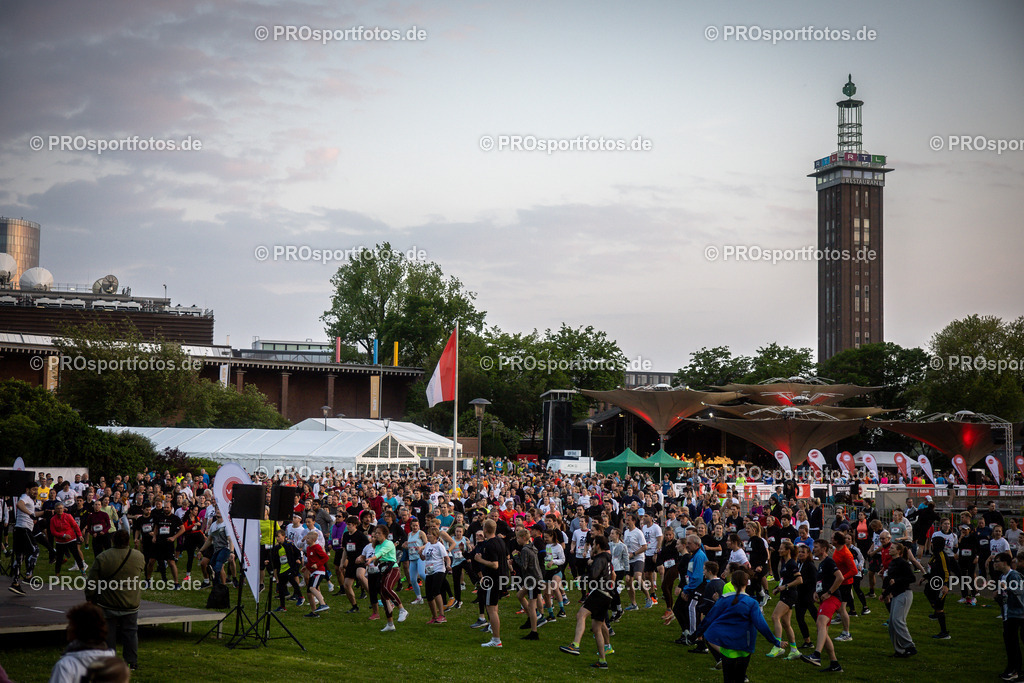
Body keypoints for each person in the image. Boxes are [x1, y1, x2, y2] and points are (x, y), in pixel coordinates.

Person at [692, 569, 784, 683]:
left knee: (728, 678)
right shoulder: (751, 603)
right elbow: (761, 625)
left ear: (731, 582)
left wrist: (696, 634)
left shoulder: (724, 600)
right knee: (740, 677)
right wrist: (775, 641)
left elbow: (709, 618)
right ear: (747, 583)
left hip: (727, 644)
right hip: (745, 644)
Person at [85, 530, 144, 671]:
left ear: (113, 540)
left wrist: (89, 597)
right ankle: (131, 663)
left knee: (108, 635)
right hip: (130, 602)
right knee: (130, 633)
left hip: (107, 602)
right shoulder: (138, 556)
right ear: (127, 541)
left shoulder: (103, 557)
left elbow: (92, 581)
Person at [559, 534, 616, 668]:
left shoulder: (600, 559)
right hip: (606, 595)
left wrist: (582, 578)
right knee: (597, 628)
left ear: (598, 546)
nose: (591, 546)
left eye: (593, 544)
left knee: (581, 615)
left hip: (599, 592)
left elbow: (593, 576)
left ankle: (575, 645)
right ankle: (602, 661)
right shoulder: (606, 558)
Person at [799, 538, 844, 673]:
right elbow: (821, 583)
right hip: (824, 599)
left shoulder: (829, 562)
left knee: (820, 624)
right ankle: (834, 664)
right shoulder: (821, 564)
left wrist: (829, 592)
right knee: (822, 630)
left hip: (832, 598)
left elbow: (840, 577)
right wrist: (816, 592)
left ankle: (817, 655)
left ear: (824, 549)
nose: (814, 549)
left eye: (816, 547)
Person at [48, 602, 118, 683]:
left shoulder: (65, 666)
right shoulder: (115, 665)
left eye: (70, 624)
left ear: (79, 630)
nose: (67, 628)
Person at [472, 518, 508, 648]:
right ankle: (494, 630)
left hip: (493, 580)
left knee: (491, 609)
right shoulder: (500, 541)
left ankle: (496, 640)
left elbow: (494, 564)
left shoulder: (490, 545)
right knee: (494, 607)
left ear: (485, 530)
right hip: (501, 578)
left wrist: (480, 560)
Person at [765, 539, 803, 660]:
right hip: (785, 593)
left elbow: (799, 580)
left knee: (775, 617)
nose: (779, 550)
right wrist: (778, 588)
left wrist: (784, 586)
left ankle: (778, 646)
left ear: (787, 550)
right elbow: (785, 580)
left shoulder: (792, 563)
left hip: (790, 594)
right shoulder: (785, 563)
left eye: (781, 548)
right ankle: (794, 650)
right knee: (786, 624)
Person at [368, 523, 408, 632]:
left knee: (386, 588)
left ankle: (402, 609)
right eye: (375, 533)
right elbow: (379, 557)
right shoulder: (377, 545)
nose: (376, 535)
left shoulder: (389, 543)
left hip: (393, 570)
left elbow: (382, 553)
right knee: (384, 596)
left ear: (385, 534)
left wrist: (372, 559)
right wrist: (374, 561)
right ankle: (390, 624)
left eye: (379, 533)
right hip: (383, 570)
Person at [881, 541, 916, 658]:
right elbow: (891, 581)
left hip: (904, 594)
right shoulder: (892, 563)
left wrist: (897, 581)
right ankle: (899, 650)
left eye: (892, 548)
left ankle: (909, 646)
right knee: (892, 624)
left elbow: (912, 578)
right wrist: (885, 593)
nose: (890, 549)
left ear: (899, 551)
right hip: (896, 594)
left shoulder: (903, 563)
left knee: (897, 620)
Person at [994, 551, 1024, 681]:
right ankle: (1011, 668)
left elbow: (1019, 591)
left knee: (1013, 643)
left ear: (1005, 562)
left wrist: (1005, 588)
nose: (995, 564)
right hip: (1007, 614)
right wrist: (998, 597)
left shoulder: (1014, 575)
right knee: (1009, 643)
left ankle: (1016, 670)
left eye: (997, 561)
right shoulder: (1002, 576)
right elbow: (1005, 597)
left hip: (1017, 614)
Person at [9, 479, 40, 595]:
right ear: (28, 490)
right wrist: (31, 514)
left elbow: (33, 513)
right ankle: (28, 575)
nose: (36, 492)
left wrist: (45, 512)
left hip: (19, 529)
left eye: (37, 490)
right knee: (35, 550)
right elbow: (19, 504)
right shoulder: (25, 497)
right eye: (34, 490)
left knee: (19, 556)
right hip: (23, 529)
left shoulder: (30, 501)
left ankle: (15, 583)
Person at [513, 527, 543, 639]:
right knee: (519, 595)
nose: (517, 540)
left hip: (532, 580)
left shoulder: (525, 549)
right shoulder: (531, 547)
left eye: (518, 538)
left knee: (531, 606)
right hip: (534, 578)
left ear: (523, 538)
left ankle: (534, 632)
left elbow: (523, 566)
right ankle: (531, 618)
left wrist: (516, 557)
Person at [421, 526, 451, 624]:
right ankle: (434, 617)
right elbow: (423, 558)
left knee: (436, 591)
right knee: (429, 595)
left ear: (435, 536)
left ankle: (442, 615)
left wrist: (448, 566)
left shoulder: (439, 545)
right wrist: (419, 553)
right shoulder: (428, 545)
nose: (428, 535)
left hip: (439, 570)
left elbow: (446, 557)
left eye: (430, 534)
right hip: (430, 571)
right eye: (428, 533)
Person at [923, 535, 951, 640]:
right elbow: (932, 568)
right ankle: (936, 611)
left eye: (933, 543)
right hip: (933, 583)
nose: (931, 544)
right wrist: (925, 577)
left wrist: (946, 585)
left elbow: (946, 571)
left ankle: (944, 632)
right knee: (927, 591)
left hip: (940, 585)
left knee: (939, 607)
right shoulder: (934, 555)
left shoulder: (942, 556)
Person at [270, 528, 303, 611]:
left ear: (284, 536)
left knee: (293, 582)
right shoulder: (277, 548)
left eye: (279, 536)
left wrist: (298, 559)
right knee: (281, 588)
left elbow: (297, 552)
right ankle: (282, 606)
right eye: (276, 537)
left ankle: (300, 597)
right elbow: (275, 560)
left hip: (289, 568)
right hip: (282, 569)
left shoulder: (289, 545)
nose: (277, 538)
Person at [49, 502, 87, 575]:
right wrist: (63, 535)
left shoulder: (68, 516)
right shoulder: (53, 519)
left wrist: (80, 535)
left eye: (61, 508)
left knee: (77, 556)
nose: (60, 510)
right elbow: (53, 532)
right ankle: (57, 576)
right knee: (59, 559)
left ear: (63, 509)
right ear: (55, 509)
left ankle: (83, 573)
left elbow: (75, 526)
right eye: (58, 508)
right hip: (60, 541)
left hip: (71, 539)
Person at [302, 530, 330, 617]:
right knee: (309, 593)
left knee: (312, 588)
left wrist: (317, 565)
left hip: (319, 571)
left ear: (313, 540)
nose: (306, 539)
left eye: (308, 538)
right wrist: (306, 567)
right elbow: (311, 561)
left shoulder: (317, 547)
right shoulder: (308, 548)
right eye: (306, 538)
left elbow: (325, 557)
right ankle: (314, 612)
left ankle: (323, 604)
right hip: (313, 572)